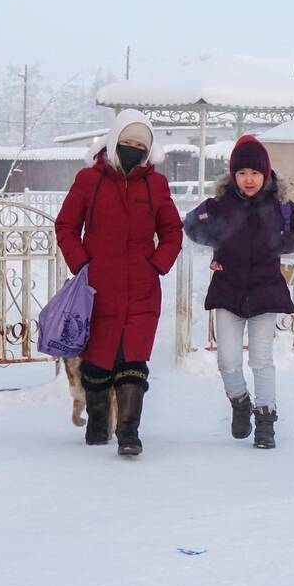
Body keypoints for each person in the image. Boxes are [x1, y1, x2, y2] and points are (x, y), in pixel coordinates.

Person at [54, 109, 183, 457]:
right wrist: (83, 263)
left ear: (148, 149)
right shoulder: (88, 181)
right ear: (113, 142)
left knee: (133, 360)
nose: (131, 149)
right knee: (97, 361)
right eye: (126, 142)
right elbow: (66, 226)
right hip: (98, 288)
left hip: (142, 288)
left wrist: (158, 263)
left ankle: (129, 433)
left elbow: (172, 230)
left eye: (139, 145)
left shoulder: (155, 184)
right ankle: (98, 428)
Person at [182, 135, 294, 449]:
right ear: (233, 174)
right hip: (228, 291)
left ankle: (266, 421)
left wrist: (279, 245)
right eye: (242, 172)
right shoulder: (220, 205)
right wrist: (214, 242)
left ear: (266, 173)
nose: (248, 179)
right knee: (227, 361)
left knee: (261, 360)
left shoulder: (279, 206)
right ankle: (240, 401)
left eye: (255, 173)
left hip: (265, 292)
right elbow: (191, 224)